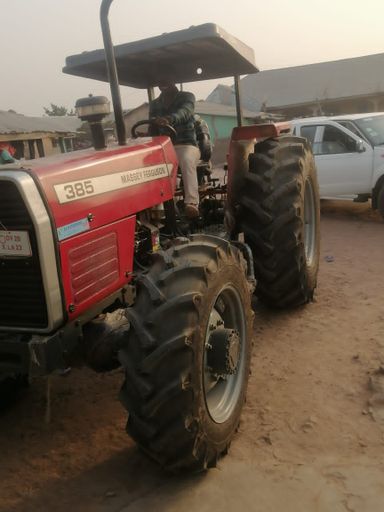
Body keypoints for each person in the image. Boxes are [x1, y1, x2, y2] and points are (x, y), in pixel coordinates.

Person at [149, 82, 200, 218]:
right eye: (160, 79)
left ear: (173, 80)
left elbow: (185, 112)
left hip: (186, 145)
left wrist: (170, 119)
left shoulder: (187, 97)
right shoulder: (155, 104)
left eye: (166, 79)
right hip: (163, 148)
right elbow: (151, 126)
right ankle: (157, 206)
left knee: (185, 159)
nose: (162, 82)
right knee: (148, 163)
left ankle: (192, 203)